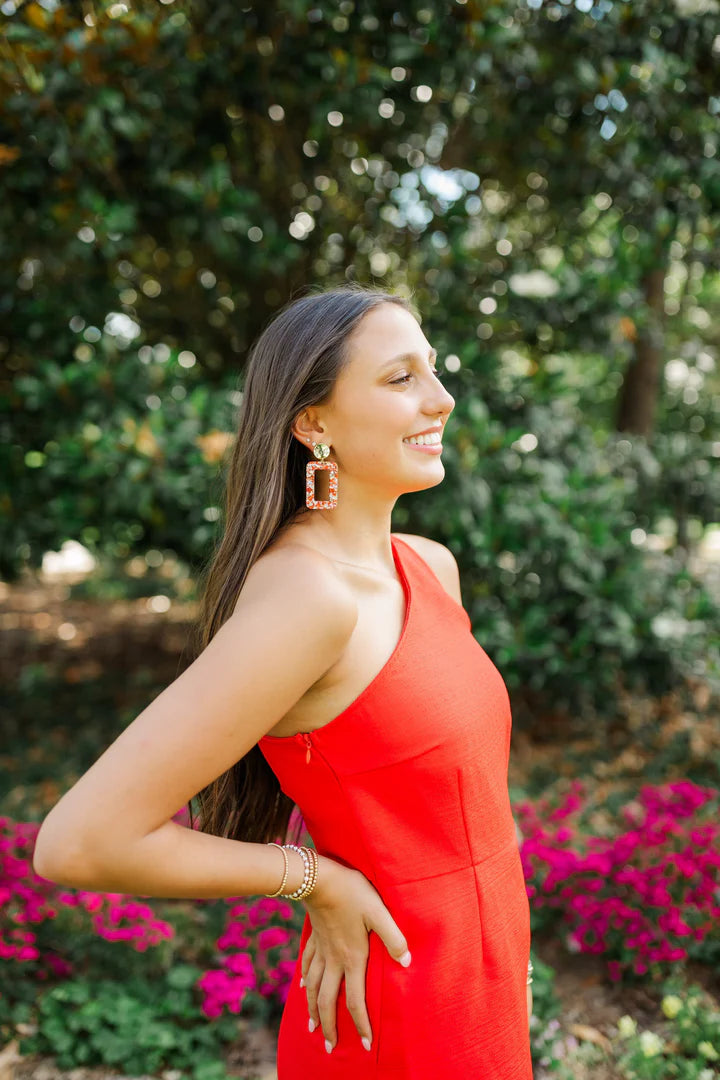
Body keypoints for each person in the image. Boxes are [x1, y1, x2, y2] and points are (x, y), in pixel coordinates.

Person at [33, 283, 534, 1078]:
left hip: (478, 983)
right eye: (400, 378)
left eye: (434, 372)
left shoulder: (429, 568)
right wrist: (314, 880)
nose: (440, 400)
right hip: (394, 1008)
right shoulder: (308, 598)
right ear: (313, 422)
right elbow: (80, 842)